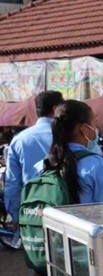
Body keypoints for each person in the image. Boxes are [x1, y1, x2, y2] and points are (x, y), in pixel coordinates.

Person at [44, 100, 103, 206]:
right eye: (94, 124)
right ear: (84, 129)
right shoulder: (96, 165)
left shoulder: (45, 164)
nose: (96, 130)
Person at [3, 90, 63, 226]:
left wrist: (17, 217)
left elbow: (13, 184)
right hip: (66, 216)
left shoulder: (20, 140)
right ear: (55, 109)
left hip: (32, 216)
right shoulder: (71, 136)